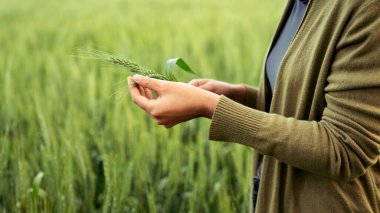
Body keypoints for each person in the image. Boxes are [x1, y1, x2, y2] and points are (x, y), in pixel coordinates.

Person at [128, 0, 380, 212]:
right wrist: (245, 98)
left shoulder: (368, 9)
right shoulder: (302, 3)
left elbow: (346, 149)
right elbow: (316, 100)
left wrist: (213, 107)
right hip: (275, 193)